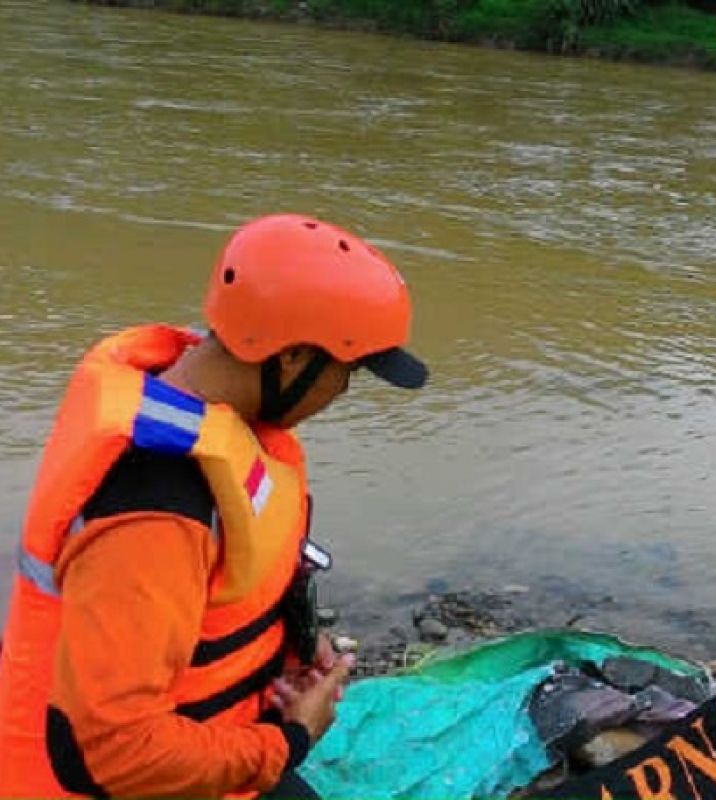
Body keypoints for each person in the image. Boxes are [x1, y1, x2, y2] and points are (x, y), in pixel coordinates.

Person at [0, 214, 428, 798]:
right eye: (347, 372)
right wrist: (291, 740)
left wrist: (291, 648)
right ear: (295, 357)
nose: (343, 394)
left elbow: (216, 601)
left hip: (204, 751)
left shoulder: (192, 402)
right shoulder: (155, 508)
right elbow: (113, 755)